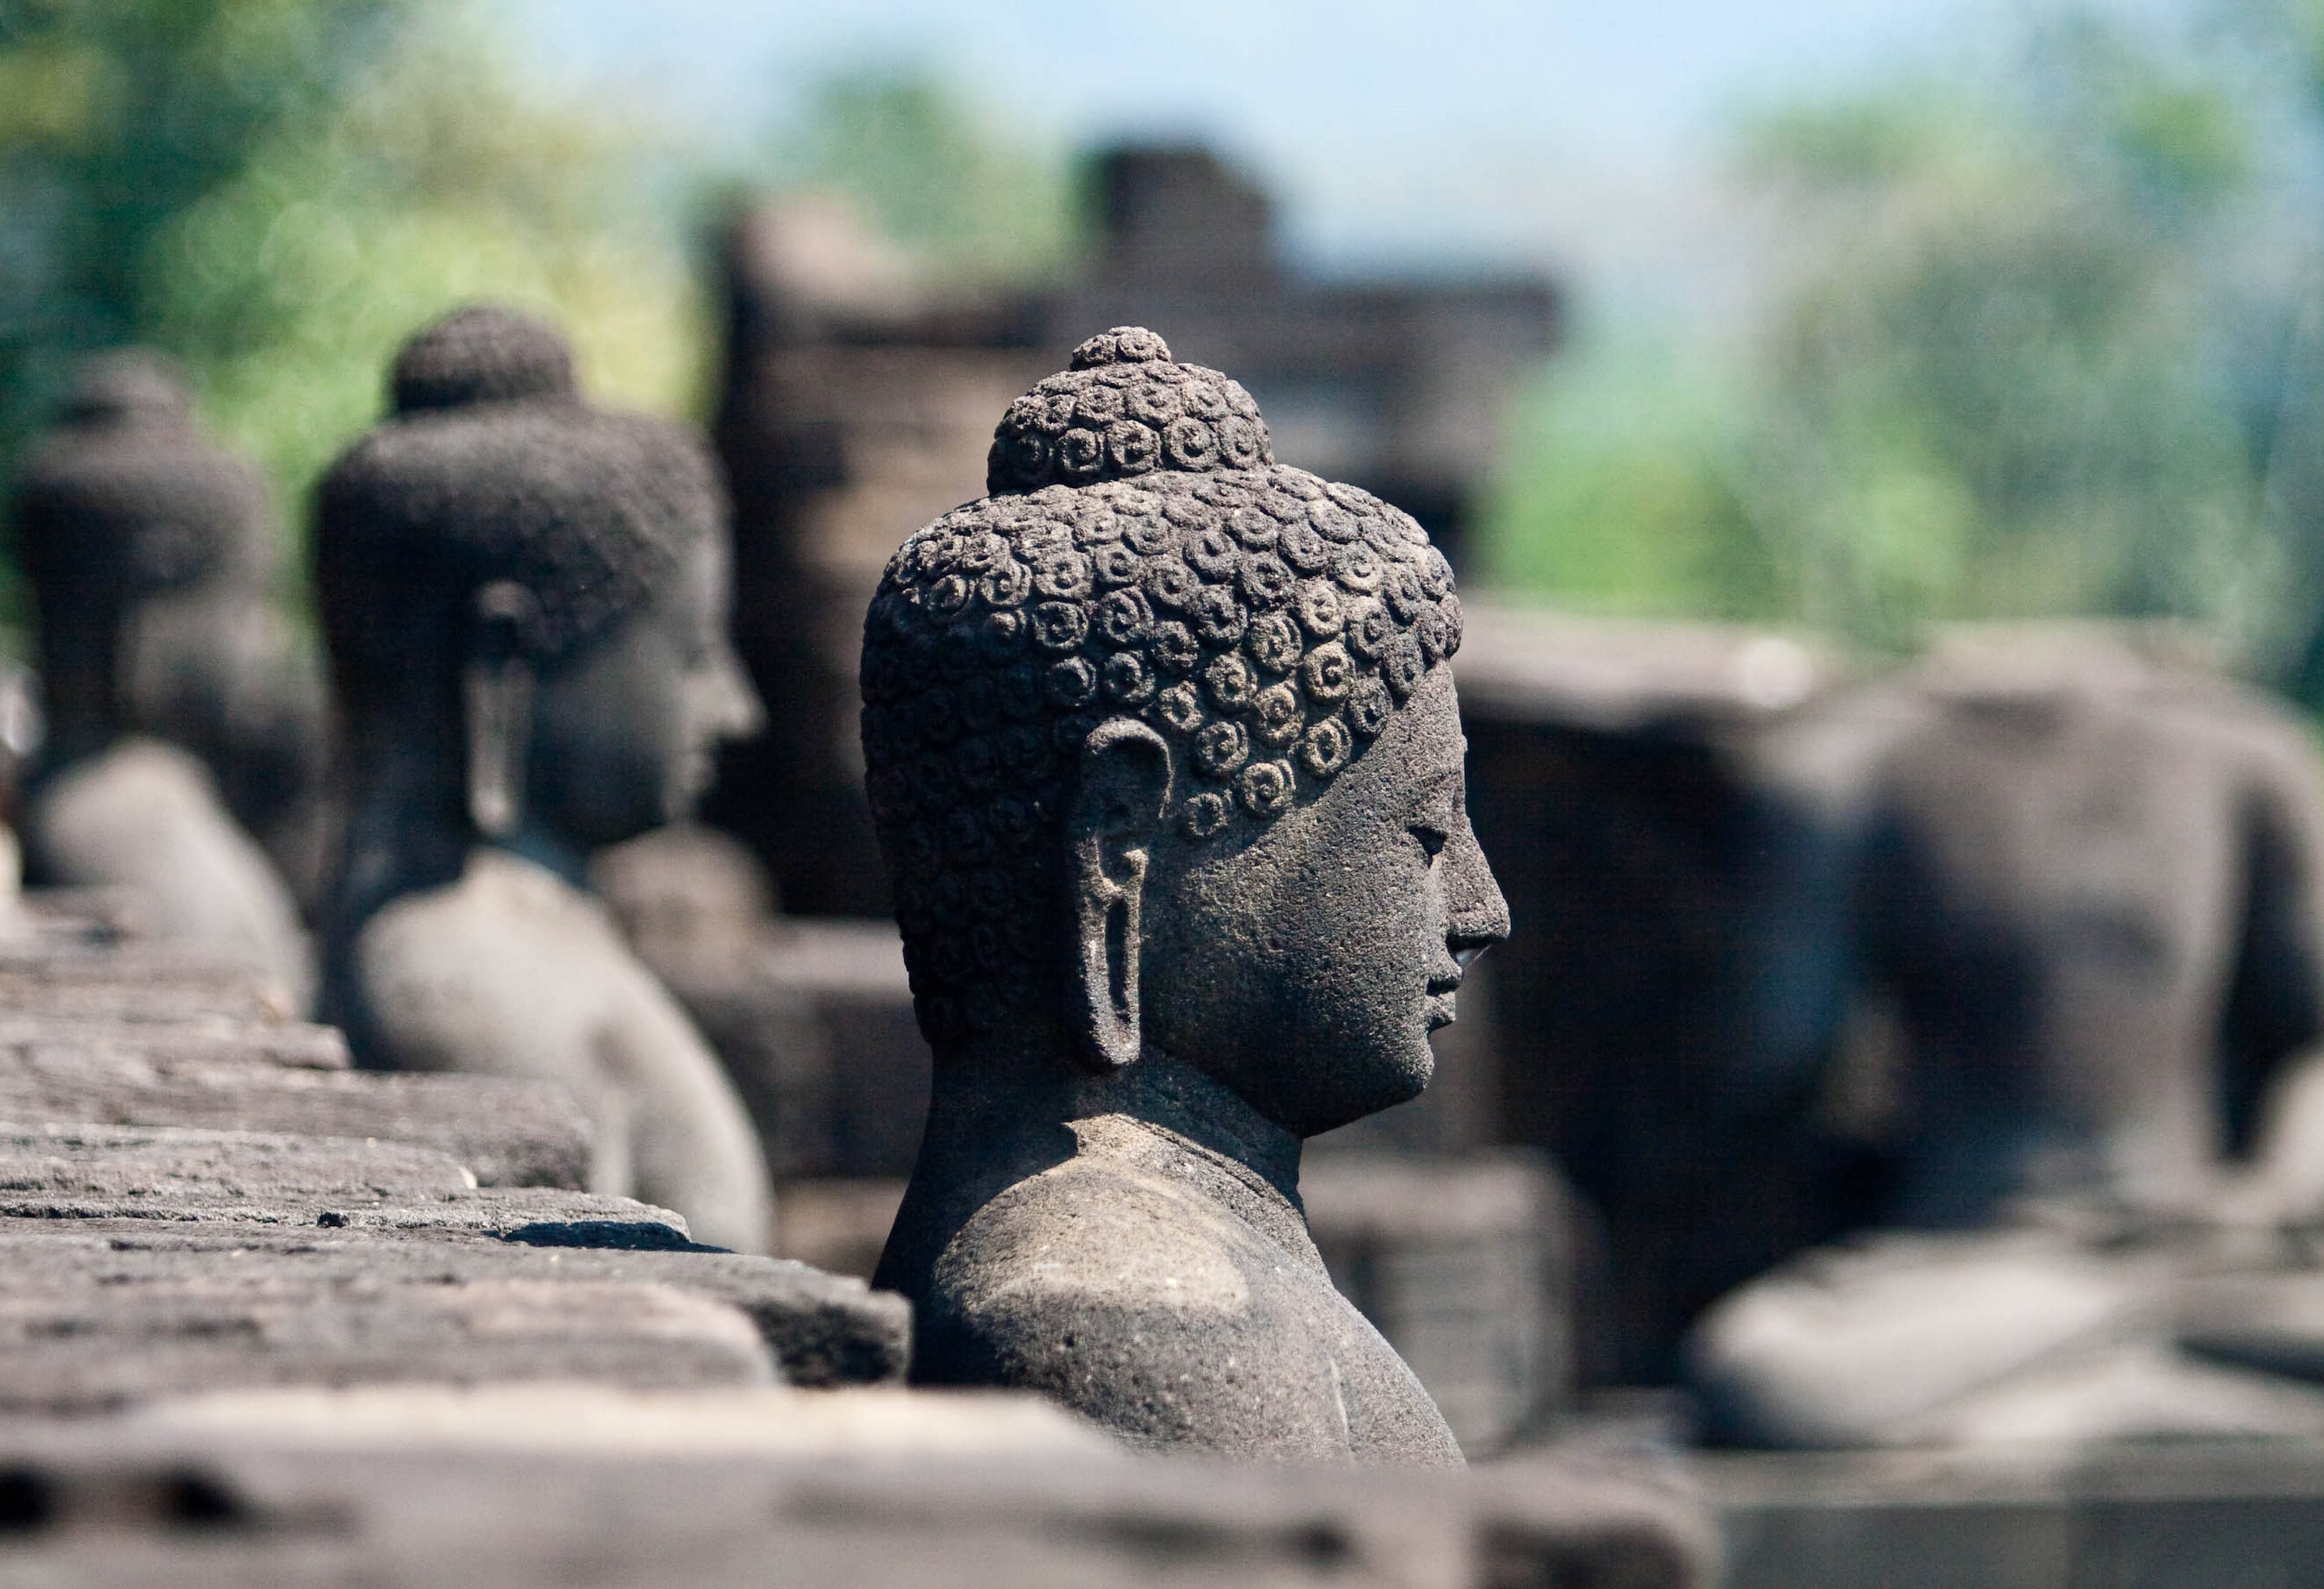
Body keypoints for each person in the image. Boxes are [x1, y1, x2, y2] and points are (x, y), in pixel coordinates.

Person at [866, 327, 1509, 1463]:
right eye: (1423, 831)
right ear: (1120, 849)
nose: (1480, 906)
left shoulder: (1153, 1270)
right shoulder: (1115, 1327)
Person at [313, 305, 774, 1254]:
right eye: (691, 655)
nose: (735, 709)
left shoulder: (530, 941)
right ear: (503, 666)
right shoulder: (462, 1000)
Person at [11, 350, 314, 1005]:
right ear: (146, 612)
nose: (264, 639)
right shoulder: (119, 838)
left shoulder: (149, 806)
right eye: (247, 604)